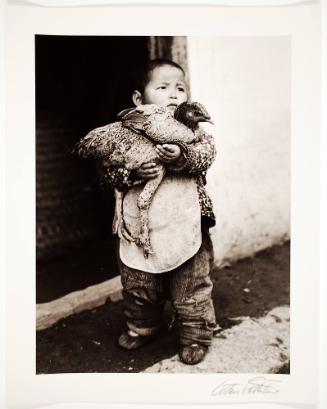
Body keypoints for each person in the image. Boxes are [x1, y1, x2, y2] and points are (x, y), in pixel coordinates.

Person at [100, 58, 217, 365]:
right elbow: (110, 173)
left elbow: (207, 153)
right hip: (142, 227)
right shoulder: (130, 133)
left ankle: (195, 334)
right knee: (140, 285)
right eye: (163, 87)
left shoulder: (194, 130)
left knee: (190, 285)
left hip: (185, 222)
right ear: (139, 99)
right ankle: (143, 325)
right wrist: (134, 171)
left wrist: (182, 155)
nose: (173, 94)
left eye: (180, 88)